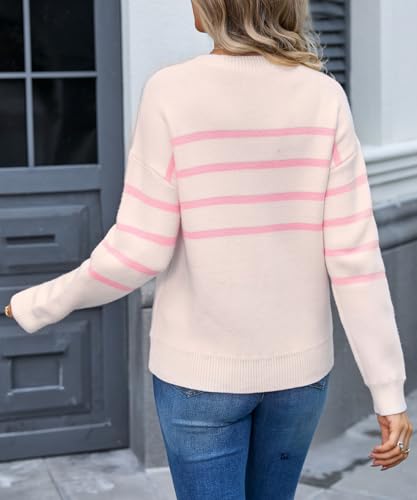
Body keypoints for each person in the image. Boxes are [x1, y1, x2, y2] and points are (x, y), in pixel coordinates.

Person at [4, 0, 413, 498]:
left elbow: (138, 251)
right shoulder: (325, 97)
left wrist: (39, 303)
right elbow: (355, 259)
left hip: (198, 377)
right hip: (299, 375)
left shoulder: (170, 92)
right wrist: (388, 392)